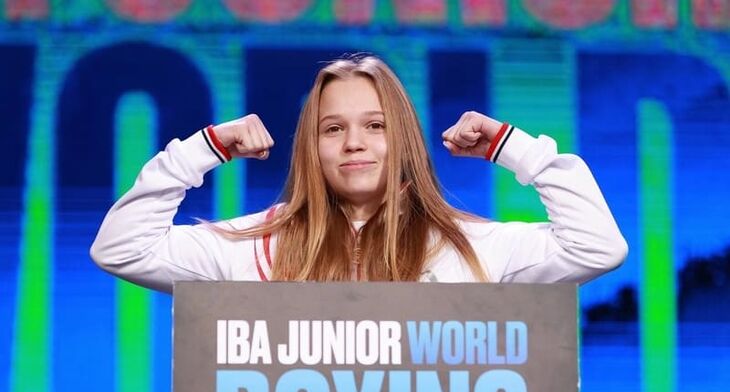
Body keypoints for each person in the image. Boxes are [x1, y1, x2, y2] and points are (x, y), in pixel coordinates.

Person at [90, 55, 627, 293]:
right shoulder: (251, 247)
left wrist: (517, 150)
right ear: (311, 147)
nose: (354, 143)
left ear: (404, 138)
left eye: (375, 125)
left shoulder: (471, 248)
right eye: (333, 129)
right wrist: (202, 151)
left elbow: (596, 247)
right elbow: (121, 250)